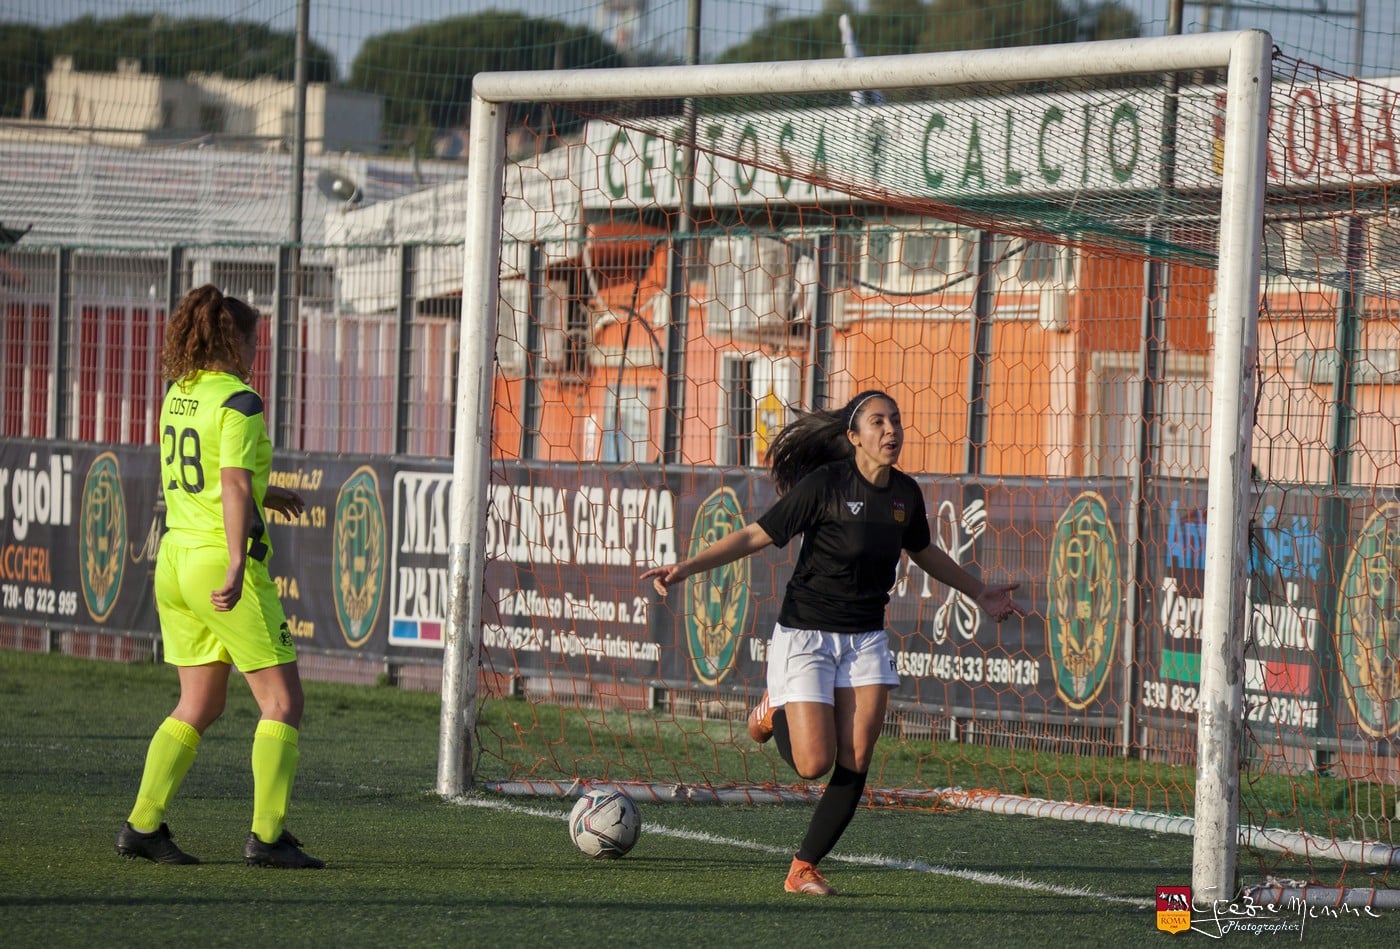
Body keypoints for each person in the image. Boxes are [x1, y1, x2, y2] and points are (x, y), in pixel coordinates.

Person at [642, 390, 1023, 895]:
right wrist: (685, 567)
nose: (891, 430)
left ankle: (802, 867)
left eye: (896, 420)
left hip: (865, 637)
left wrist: (978, 590)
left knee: (858, 756)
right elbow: (756, 535)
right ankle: (774, 707)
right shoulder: (825, 485)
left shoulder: (906, 494)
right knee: (812, 764)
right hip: (807, 632)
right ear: (854, 436)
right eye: (878, 422)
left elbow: (923, 550)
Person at [114, 284, 324, 869]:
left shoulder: (178, 394)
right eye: (254, 340)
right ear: (233, 339)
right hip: (217, 560)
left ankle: (142, 825)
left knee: (199, 702)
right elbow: (230, 483)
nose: (257, 353)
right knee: (282, 703)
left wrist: (268, 490)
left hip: (175, 558)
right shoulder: (241, 401)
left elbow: (213, 476)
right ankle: (267, 837)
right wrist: (237, 559)